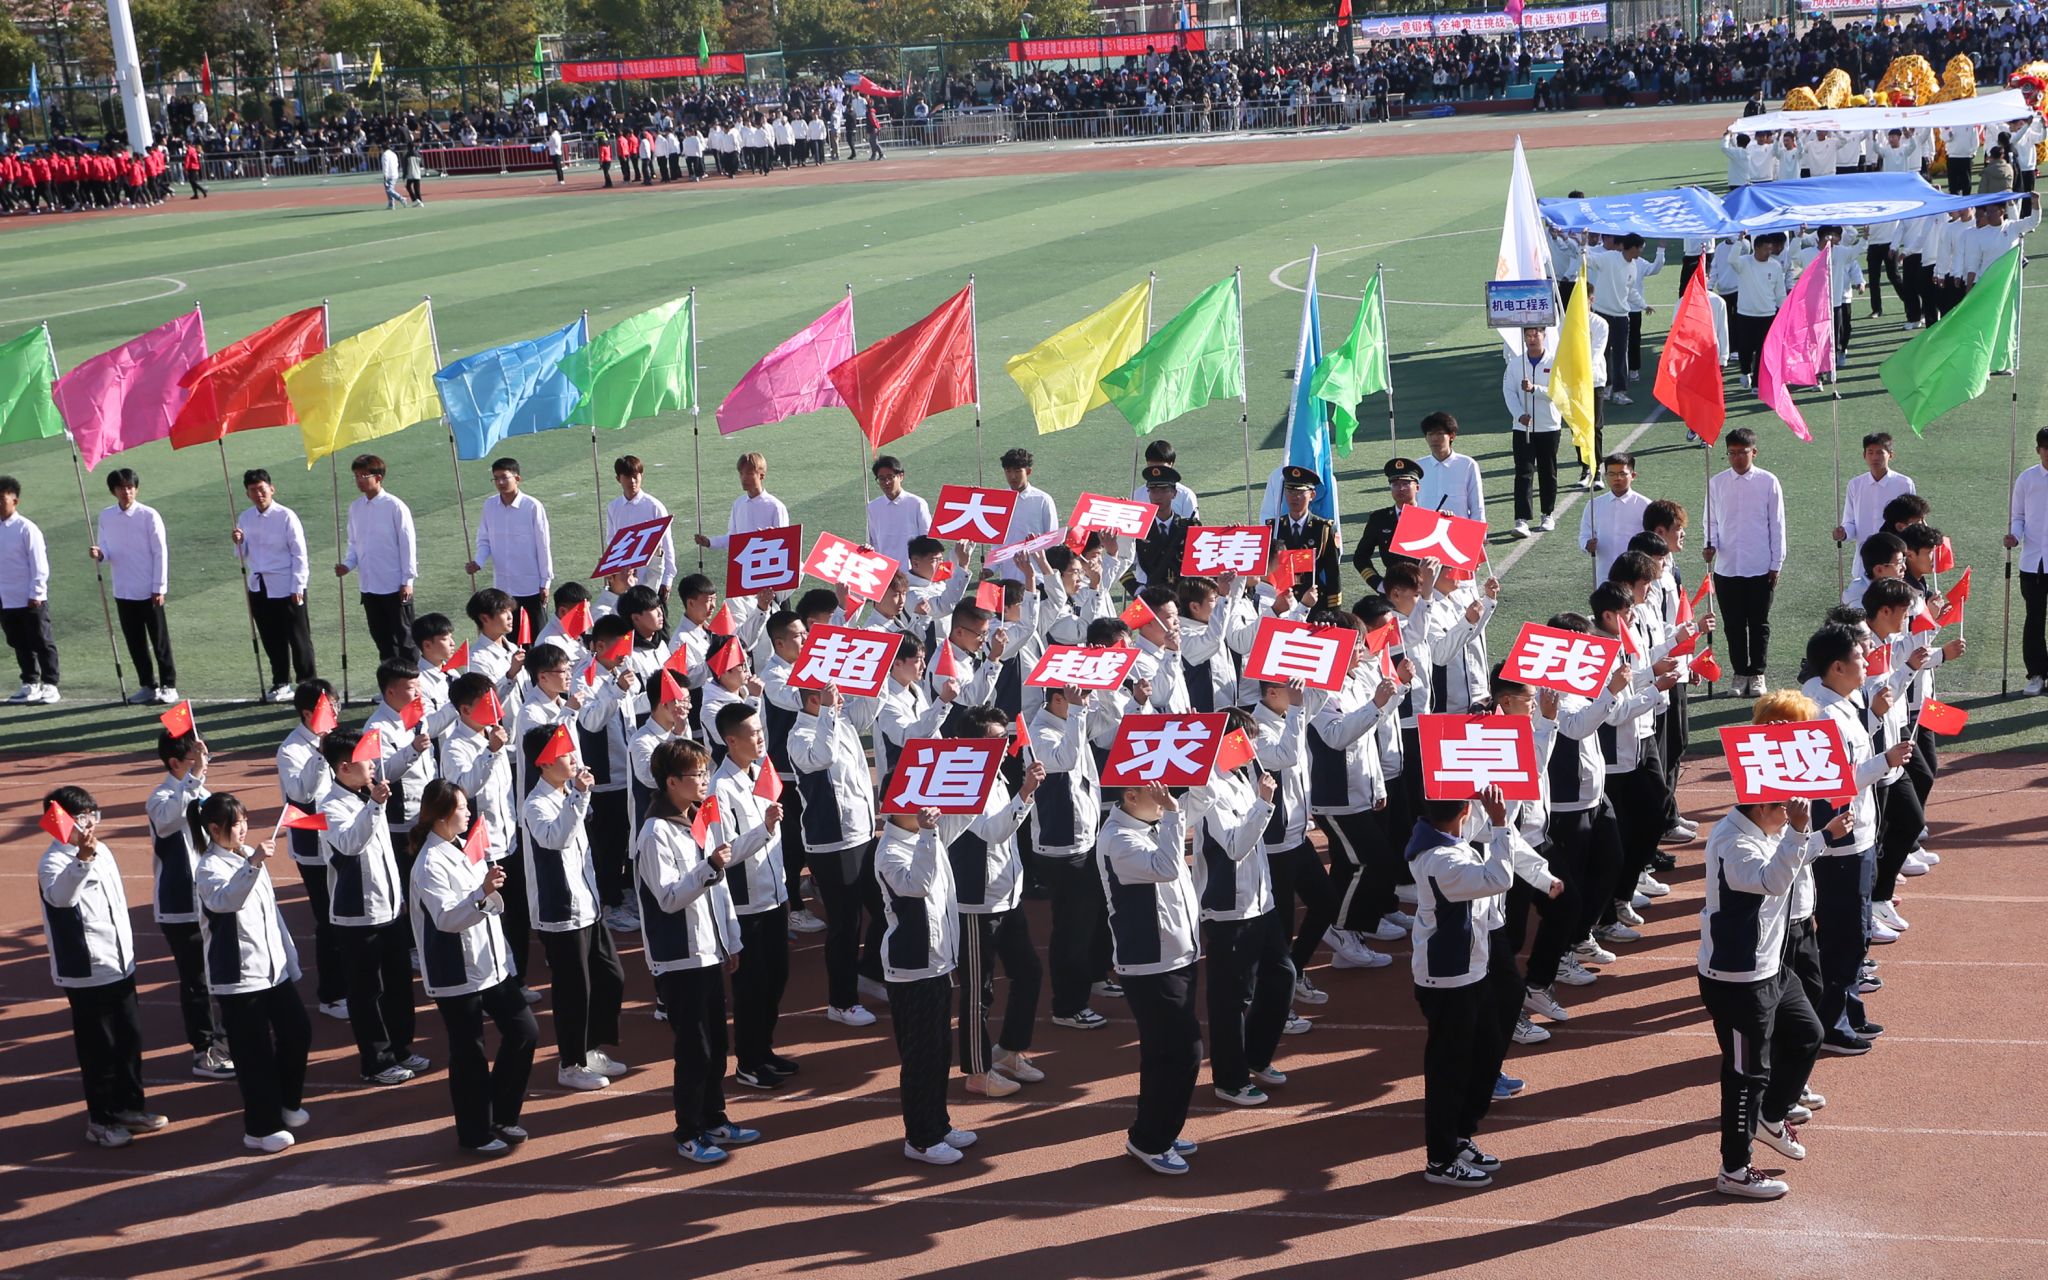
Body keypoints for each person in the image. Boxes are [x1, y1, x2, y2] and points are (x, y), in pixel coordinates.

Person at [1697, 784, 1842, 1200]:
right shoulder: (1734, 844)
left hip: (1770, 967)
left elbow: (1789, 857)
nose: (1793, 813)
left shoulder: (1764, 829)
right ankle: (1734, 1170)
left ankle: (1771, 1116)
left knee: (1807, 1034)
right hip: (1739, 979)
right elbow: (1773, 880)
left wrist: (1821, 835)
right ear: (1762, 807)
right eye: (1786, 807)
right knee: (1746, 1076)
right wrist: (1798, 831)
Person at [638, 738, 758, 1165]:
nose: (705, 779)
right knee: (695, 1049)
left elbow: (717, 890)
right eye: (697, 774)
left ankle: (714, 1119)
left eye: (706, 772)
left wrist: (730, 941)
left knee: (716, 1044)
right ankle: (688, 1133)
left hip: (707, 951)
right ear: (672, 781)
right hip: (679, 958)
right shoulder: (655, 833)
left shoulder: (696, 819)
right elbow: (669, 898)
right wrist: (709, 867)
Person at [410, 778, 538, 1155]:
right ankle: (474, 1133)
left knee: (524, 1031)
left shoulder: (463, 846)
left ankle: (500, 1114)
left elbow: (486, 908)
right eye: (462, 807)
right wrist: (482, 893)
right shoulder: (429, 863)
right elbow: (447, 919)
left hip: (490, 965)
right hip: (455, 972)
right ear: (442, 815)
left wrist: (488, 892)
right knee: (469, 1054)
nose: (469, 813)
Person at [39, 784, 166, 1148]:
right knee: (99, 1049)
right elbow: (62, 898)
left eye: (93, 814)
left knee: (129, 1039)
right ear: (59, 820)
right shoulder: (53, 862)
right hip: (86, 970)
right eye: (82, 817)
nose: (91, 823)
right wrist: (82, 860)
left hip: (119, 964)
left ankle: (129, 1108)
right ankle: (100, 1119)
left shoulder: (103, 850)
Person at [195, 793, 312, 1154]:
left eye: (245, 820)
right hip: (239, 976)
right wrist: (254, 864)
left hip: (273, 971)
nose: (243, 828)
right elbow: (227, 901)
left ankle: (286, 1103)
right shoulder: (208, 868)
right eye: (236, 823)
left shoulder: (247, 856)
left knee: (298, 1032)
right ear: (215, 829)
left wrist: (289, 958)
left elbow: (271, 915)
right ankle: (260, 1129)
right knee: (253, 1054)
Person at [942, 705, 1047, 1099]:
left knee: (1029, 972)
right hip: (976, 903)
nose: (1004, 746)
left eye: (1005, 739)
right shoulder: (962, 779)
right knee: (978, 991)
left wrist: (1021, 794)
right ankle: (977, 1071)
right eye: (995, 740)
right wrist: (1025, 793)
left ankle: (1008, 1051)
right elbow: (993, 831)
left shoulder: (997, 774)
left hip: (1007, 895)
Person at [1099, 780, 1203, 1175]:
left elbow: (1201, 802)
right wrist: (1173, 815)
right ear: (1130, 796)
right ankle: (1151, 1140)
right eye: (1155, 793)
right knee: (1182, 1052)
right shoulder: (1119, 839)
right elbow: (1167, 868)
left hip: (1174, 958)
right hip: (1150, 963)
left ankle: (1154, 1132)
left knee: (1164, 1054)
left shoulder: (1149, 825)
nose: (1165, 799)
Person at [519, 723, 627, 1092]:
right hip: (560, 912)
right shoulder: (536, 804)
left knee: (611, 976)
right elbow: (556, 839)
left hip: (588, 905)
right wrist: (579, 797)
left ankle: (589, 1048)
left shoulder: (569, 794)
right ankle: (570, 1063)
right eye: (564, 754)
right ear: (543, 762)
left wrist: (577, 796)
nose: (573, 759)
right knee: (573, 992)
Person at [316, 729, 427, 1086]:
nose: (374, 765)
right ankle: (375, 1062)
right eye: (366, 760)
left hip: (389, 909)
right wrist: (375, 806)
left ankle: (401, 1049)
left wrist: (399, 896)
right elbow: (350, 844)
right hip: (356, 916)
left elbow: (384, 857)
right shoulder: (330, 806)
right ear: (344, 767)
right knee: (367, 992)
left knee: (398, 985)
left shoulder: (367, 795)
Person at [1188, 711, 1286, 1107]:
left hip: (1260, 902)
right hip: (1229, 909)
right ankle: (1229, 1079)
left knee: (1282, 976)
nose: (1253, 748)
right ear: (1227, 742)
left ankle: (1255, 1057)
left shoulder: (1241, 778)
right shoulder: (1209, 787)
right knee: (1231, 999)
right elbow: (1234, 847)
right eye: (1246, 740)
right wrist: (1263, 805)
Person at [711, 703, 798, 1090]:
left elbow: (773, 845)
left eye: (761, 731)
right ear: (731, 740)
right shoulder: (720, 788)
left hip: (773, 896)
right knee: (751, 987)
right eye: (753, 733)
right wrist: (763, 829)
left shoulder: (760, 772)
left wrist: (785, 891)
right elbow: (724, 852)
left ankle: (764, 1050)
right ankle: (748, 1061)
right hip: (746, 905)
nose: (760, 738)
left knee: (777, 978)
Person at [789, 680, 886, 1025]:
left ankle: (870, 973)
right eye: (833, 695)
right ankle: (841, 1003)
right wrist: (829, 712)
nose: (842, 698)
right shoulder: (800, 736)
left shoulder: (840, 719)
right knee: (845, 925)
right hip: (831, 843)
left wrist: (880, 671)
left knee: (887, 908)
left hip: (862, 835)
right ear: (815, 700)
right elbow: (823, 756)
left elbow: (871, 706)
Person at [147, 730, 234, 1080]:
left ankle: (227, 1040)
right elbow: (169, 818)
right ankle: (204, 1051)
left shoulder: (203, 793)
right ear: (174, 763)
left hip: (214, 899)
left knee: (224, 972)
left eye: (206, 758)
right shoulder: (161, 797)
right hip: (181, 905)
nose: (204, 765)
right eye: (195, 759)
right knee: (197, 980)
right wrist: (195, 778)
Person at [1704, 428, 1786, 695]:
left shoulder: (1768, 481)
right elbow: (1710, 520)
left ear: (1754, 452)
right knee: (1733, 624)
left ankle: (1758, 673)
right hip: (1727, 567)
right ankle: (1740, 673)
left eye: (1743, 452)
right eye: (1732, 453)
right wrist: (1710, 545)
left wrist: (1776, 563)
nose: (1737, 458)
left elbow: (1777, 525)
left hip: (1760, 566)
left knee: (1759, 623)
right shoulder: (1717, 482)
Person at [90, 467, 177, 705]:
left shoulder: (149, 515)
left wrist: (159, 587)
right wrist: (100, 554)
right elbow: (106, 549)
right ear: (113, 491)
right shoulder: (106, 516)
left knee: (159, 641)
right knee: (135, 642)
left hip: (149, 590)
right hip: (123, 589)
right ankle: (147, 685)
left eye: (130, 487)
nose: (126, 492)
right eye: (121, 488)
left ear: (136, 489)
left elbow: (160, 552)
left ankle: (169, 684)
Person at [234, 469, 315, 701]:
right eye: (253, 490)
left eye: (262, 489)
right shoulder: (245, 518)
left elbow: (299, 554)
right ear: (247, 494)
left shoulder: (286, 516)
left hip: (286, 585)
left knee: (298, 637)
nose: (258, 494)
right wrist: (238, 541)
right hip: (259, 586)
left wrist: (298, 586)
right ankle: (281, 681)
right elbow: (241, 554)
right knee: (270, 637)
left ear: (271, 489)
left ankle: (307, 682)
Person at [337, 454, 419, 666]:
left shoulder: (394, 506)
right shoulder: (355, 507)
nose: (359, 480)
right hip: (369, 585)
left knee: (405, 638)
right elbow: (354, 542)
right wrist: (347, 564)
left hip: (394, 584)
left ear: (378, 477)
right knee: (382, 638)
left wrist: (407, 580)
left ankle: (413, 678)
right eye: (356, 476)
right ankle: (390, 678)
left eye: (364, 475)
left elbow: (407, 545)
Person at [466, 458, 553, 643]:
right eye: (496, 478)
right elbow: (484, 539)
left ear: (517, 478)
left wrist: (545, 581)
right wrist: (478, 562)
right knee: (509, 638)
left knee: (537, 637)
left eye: (504, 478)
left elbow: (543, 545)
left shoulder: (532, 506)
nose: (500, 482)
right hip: (503, 587)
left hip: (530, 586)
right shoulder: (490, 506)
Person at [0, 475, 59, 703]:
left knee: (41, 641)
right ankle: (30, 683)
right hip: (6, 597)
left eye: (2, 499)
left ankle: (50, 684)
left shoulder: (26, 528)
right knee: (18, 641)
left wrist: (37, 592)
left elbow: (39, 564)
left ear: (14, 501)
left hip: (29, 598)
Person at [1503, 327, 1560, 537]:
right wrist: (1519, 415)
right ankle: (1521, 519)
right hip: (1522, 428)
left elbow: (1558, 391)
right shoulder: (1516, 364)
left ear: (1544, 336)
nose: (1532, 339)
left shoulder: (1555, 362)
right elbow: (1509, 391)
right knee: (1523, 472)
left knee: (1548, 471)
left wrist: (1535, 389)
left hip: (1549, 426)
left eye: (1536, 334)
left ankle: (1547, 514)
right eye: (1528, 335)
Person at [1835, 434, 1915, 575]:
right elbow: (1850, 522)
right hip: (1864, 562)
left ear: (1890, 455)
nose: (1874, 457)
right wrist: (1843, 533)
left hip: (1895, 564)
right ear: (1864, 455)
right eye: (1870, 452)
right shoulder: (1855, 485)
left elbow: (1912, 522)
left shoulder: (1904, 484)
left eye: (1879, 453)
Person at [606, 455, 679, 606]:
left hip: (652, 580)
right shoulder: (613, 507)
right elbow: (612, 543)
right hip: (626, 583)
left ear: (641, 476)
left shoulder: (654, 506)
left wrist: (667, 580)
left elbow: (666, 545)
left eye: (635, 476)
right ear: (618, 479)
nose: (632, 481)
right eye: (627, 476)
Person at [2008, 426, 2048, 694]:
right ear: (2038, 450)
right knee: (2034, 618)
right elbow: (2018, 516)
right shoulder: (2027, 478)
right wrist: (2014, 536)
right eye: (2046, 448)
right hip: (2033, 562)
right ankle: (2036, 673)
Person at [1270, 465, 1343, 606]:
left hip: (1313, 603)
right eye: (1290, 491)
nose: (1294, 497)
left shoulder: (1323, 529)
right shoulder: (1274, 527)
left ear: (1312, 495)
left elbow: (1333, 573)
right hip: (1280, 601)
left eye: (1300, 492)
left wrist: (1333, 610)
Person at [696, 452, 790, 553]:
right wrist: (709, 542)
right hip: (745, 561)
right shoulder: (738, 504)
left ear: (761, 476)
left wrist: (772, 536)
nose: (744, 478)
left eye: (749, 474)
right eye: (741, 473)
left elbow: (785, 543)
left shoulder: (776, 506)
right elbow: (732, 538)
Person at [1579, 453, 1650, 586]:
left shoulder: (1645, 505)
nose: (1617, 478)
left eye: (1622, 474)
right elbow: (1584, 535)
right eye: (1611, 474)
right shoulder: (1594, 504)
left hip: (1636, 576)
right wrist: (1587, 545)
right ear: (1605, 475)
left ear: (1633, 475)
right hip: (1604, 575)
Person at [992, 447, 1061, 581]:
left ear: (1028, 471)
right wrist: (990, 568)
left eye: (1018, 471)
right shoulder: (999, 500)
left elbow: (1052, 540)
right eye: (1008, 471)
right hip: (1009, 577)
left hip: (1039, 577)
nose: (1012, 476)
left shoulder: (1042, 499)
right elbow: (996, 541)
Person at [865, 454, 932, 568]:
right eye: (881, 478)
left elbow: (927, 538)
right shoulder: (873, 507)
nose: (886, 482)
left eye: (890, 477)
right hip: (885, 570)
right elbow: (873, 540)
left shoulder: (917, 503)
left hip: (911, 570)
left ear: (901, 476)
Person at [1415, 412, 1483, 523]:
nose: (1434, 439)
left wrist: (1479, 531)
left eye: (1439, 434)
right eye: (1430, 434)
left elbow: (1477, 504)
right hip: (1426, 528)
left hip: (1458, 528)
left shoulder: (1467, 464)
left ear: (1452, 436)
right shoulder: (1418, 466)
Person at [380, 144, 402, 209]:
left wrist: (385, 175)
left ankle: (400, 198)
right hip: (395, 173)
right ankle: (391, 204)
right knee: (389, 189)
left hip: (389, 175)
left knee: (389, 190)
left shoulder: (385, 155)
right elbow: (397, 164)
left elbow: (385, 166)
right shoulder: (393, 154)